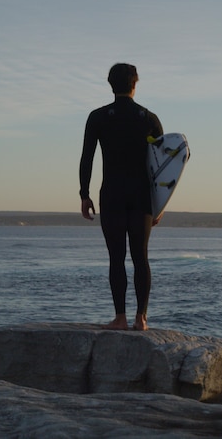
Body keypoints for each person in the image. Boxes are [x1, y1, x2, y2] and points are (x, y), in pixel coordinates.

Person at [79, 63, 163, 331]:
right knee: (141, 257)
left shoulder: (99, 117)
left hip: (112, 195)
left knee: (116, 258)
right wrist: (160, 203)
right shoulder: (148, 118)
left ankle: (120, 318)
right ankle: (141, 319)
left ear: (110, 84)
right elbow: (163, 164)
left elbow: (87, 158)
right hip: (142, 198)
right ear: (135, 84)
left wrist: (84, 194)